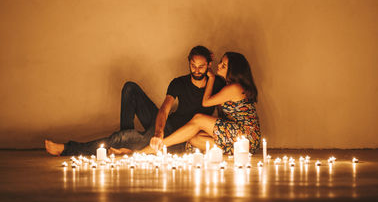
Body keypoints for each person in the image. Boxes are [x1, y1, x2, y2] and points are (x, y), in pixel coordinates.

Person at [45, 46, 225, 156]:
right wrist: (159, 131)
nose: (197, 69)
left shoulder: (216, 85)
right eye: (193, 65)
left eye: (201, 66)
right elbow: (164, 110)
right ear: (189, 63)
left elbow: (221, 114)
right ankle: (126, 141)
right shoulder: (179, 82)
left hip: (179, 136)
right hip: (166, 125)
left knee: (119, 138)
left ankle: (67, 148)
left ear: (209, 65)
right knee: (130, 87)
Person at [136, 52, 261, 155]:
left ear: (233, 71)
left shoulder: (235, 88)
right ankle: (235, 152)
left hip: (246, 136)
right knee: (193, 138)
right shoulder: (228, 86)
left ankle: (151, 149)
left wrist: (211, 78)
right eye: (221, 62)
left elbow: (206, 102)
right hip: (238, 139)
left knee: (198, 119)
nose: (219, 65)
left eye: (224, 65)